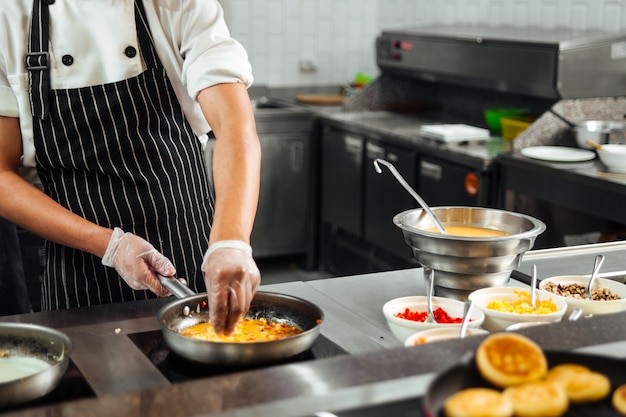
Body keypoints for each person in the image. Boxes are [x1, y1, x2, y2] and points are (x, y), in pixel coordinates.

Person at [0, 0, 261, 334]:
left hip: (191, 252)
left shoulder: (175, 5)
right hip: (80, 272)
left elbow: (235, 130)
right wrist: (110, 246)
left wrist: (230, 242)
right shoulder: (10, 16)